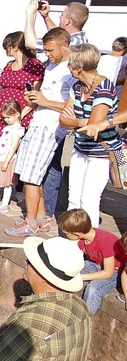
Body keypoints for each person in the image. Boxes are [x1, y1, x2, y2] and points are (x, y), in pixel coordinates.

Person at [5, 28, 76, 238]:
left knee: (31, 177)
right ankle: (42, 219)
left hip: (50, 126)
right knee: (33, 173)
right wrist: (35, 99)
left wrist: (45, 102)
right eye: (45, 50)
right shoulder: (52, 65)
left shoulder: (71, 70)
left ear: (65, 45)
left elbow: (72, 106)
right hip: (38, 122)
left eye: (51, 50)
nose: (48, 54)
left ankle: (31, 222)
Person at [59, 43, 121, 228]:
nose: (68, 66)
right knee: (74, 197)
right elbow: (64, 119)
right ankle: (72, 238)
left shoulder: (104, 87)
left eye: (70, 63)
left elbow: (94, 127)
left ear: (79, 67)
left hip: (100, 152)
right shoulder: (77, 86)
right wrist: (82, 122)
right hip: (80, 148)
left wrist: (78, 121)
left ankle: (89, 243)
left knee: (89, 200)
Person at [0, 31, 45, 151]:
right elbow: (0, 90)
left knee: (13, 147)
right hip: (0, 110)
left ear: (15, 47)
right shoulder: (8, 65)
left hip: (20, 112)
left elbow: (36, 93)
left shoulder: (35, 65)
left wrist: (20, 116)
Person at [58, 209, 125, 314]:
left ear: (76, 234)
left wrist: (80, 277)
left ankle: (84, 319)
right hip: (96, 264)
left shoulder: (105, 241)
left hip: (116, 271)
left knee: (93, 288)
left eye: (66, 233)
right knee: (65, 273)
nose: (65, 235)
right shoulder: (82, 238)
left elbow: (108, 273)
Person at [0, 99, 25, 214]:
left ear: (17, 114)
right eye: (5, 118)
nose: (6, 120)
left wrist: (7, 161)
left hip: (7, 159)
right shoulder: (7, 128)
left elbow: (13, 147)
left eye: (8, 117)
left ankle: (5, 202)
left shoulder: (17, 130)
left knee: (6, 183)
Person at [24, 0, 89, 54]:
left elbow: (31, 43)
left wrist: (30, 13)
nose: (60, 17)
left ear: (68, 21)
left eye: (62, 15)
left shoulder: (72, 43)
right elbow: (58, 35)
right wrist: (46, 16)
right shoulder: (80, 39)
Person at [97, 37, 127, 102]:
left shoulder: (102, 58)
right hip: (113, 94)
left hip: (98, 90)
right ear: (125, 49)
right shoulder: (122, 61)